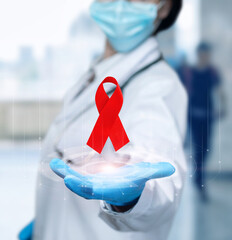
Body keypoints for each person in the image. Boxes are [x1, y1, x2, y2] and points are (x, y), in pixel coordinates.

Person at [19, 0, 188, 239]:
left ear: (164, 7)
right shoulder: (100, 72)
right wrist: (47, 220)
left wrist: (136, 195)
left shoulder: (158, 86)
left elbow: (156, 163)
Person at [189, 42, 226, 201]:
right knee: (198, 148)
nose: (205, 56)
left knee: (206, 149)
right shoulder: (190, 72)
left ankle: (198, 177)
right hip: (193, 115)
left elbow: (219, 91)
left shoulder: (212, 72)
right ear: (198, 54)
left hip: (208, 115)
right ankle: (200, 180)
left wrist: (224, 106)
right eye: (202, 53)